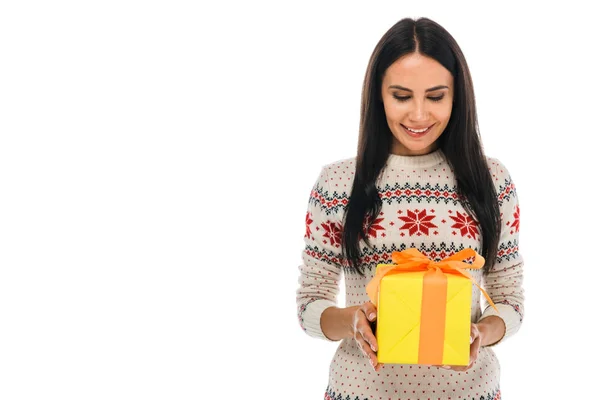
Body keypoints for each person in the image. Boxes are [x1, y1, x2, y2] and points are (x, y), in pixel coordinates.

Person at [296, 17, 524, 400]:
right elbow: (309, 303)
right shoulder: (337, 184)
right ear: (378, 96)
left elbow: (510, 300)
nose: (419, 115)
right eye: (401, 96)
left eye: (436, 97)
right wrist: (352, 321)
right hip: (360, 392)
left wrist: (480, 334)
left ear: (457, 97)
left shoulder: (492, 181)